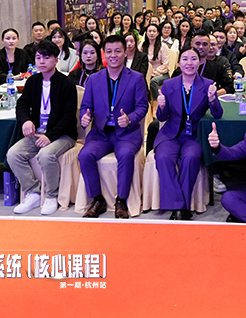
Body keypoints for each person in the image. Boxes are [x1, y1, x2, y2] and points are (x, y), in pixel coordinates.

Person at [78, 35, 149, 218]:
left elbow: (143, 106)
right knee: (84, 155)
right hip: (101, 133)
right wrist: (85, 117)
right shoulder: (94, 79)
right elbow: (86, 106)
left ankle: (121, 200)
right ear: (104, 54)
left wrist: (130, 118)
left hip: (127, 133)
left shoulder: (136, 78)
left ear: (125, 52)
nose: (113, 55)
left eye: (118, 51)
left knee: (125, 155)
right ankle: (97, 200)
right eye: (109, 51)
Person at [7, 40, 78, 216]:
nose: (42, 61)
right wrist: (25, 121)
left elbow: (68, 116)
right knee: (13, 154)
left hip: (62, 134)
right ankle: (33, 192)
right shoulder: (33, 81)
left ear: (56, 60)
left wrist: (50, 136)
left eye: (47, 57)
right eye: (38, 57)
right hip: (38, 133)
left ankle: (52, 195)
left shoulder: (66, 84)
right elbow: (22, 105)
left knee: (46, 155)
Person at [155, 47, 223, 220]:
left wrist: (212, 99)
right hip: (171, 134)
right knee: (162, 157)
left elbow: (218, 114)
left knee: (190, 158)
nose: (189, 63)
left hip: (194, 135)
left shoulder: (207, 84)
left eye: (194, 59)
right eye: (185, 59)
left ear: (199, 62)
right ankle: (181, 206)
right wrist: (161, 106)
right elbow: (162, 117)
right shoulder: (169, 84)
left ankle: (179, 207)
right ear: (179, 63)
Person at [144, 23, 171, 101]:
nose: (151, 33)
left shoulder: (163, 46)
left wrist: (154, 73)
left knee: (153, 81)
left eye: (154, 31)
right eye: (149, 31)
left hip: (162, 73)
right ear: (146, 33)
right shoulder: (142, 46)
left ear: (158, 33)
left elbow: (165, 64)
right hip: (147, 74)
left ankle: (158, 102)